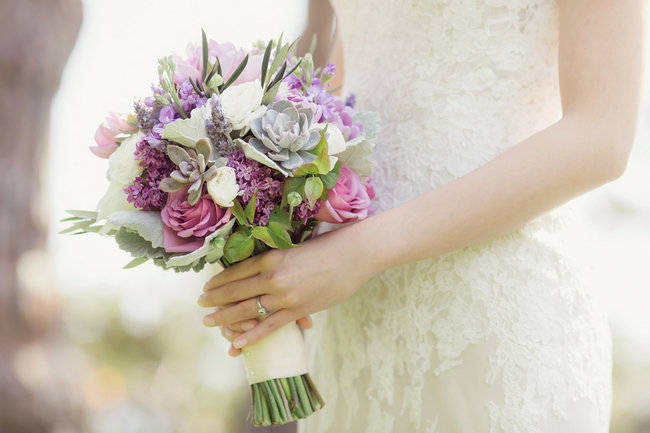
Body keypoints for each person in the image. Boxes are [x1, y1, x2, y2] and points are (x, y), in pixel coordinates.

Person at [198, 1, 647, 432]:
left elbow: (601, 136)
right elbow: (345, 91)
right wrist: (271, 235)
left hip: (495, 303)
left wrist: (359, 252)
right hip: (350, 319)